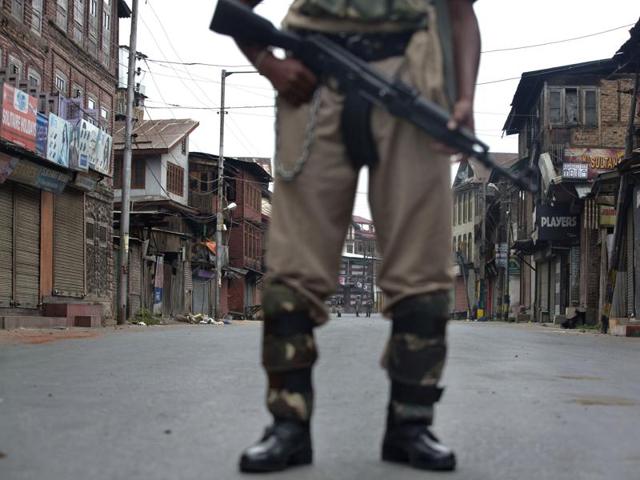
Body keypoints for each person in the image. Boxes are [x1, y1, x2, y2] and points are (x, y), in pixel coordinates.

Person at [233, 0, 480, 473]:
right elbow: (233, 7)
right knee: (293, 268)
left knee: (423, 270)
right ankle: (289, 424)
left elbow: (461, 11)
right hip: (314, 81)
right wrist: (268, 63)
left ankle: (411, 424)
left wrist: (464, 97)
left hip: (413, 79)